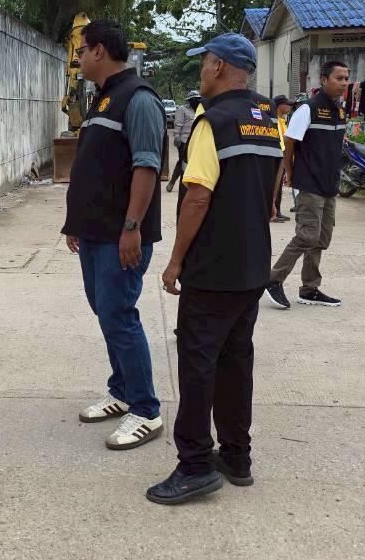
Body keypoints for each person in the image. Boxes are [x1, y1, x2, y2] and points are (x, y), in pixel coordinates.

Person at [149, 34, 281, 505]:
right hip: (252, 265)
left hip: (213, 268)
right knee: (236, 361)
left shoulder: (213, 121)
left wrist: (175, 261)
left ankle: (195, 465)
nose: (201, 71)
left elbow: (198, 197)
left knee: (198, 365)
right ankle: (237, 456)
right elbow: (274, 184)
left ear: (220, 66)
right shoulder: (267, 118)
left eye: (205, 62)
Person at [61, 19, 166, 451]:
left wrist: (132, 228)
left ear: (100, 51)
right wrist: (75, 223)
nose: (79, 58)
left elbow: (147, 167)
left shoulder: (137, 98)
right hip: (94, 232)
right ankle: (121, 391)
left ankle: (146, 409)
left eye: (82, 51)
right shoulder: (102, 98)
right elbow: (94, 167)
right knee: (107, 313)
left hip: (119, 235)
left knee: (120, 315)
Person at [264, 62, 349, 310]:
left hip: (329, 185)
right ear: (323, 80)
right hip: (309, 183)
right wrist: (290, 173)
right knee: (307, 236)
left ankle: (309, 289)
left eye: (346, 79)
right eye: (339, 78)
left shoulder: (339, 110)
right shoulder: (308, 109)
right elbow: (289, 142)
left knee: (321, 239)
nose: (344, 83)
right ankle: (273, 279)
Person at [165, 90, 201, 193]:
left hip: (196, 140)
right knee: (182, 161)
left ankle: (191, 183)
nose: (196, 101)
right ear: (189, 101)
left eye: (198, 99)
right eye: (194, 99)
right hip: (184, 139)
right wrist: (177, 136)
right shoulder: (182, 109)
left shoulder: (200, 110)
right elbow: (178, 124)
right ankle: (173, 182)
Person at [270, 95, 293, 222]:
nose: (290, 107)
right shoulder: (275, 120)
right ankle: (273, 211)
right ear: (279, 106)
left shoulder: (281, 121)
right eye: (287, 104)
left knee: (279, 187)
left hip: (282, 154)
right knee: (276, 185)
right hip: (277, 154)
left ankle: (277, 210)